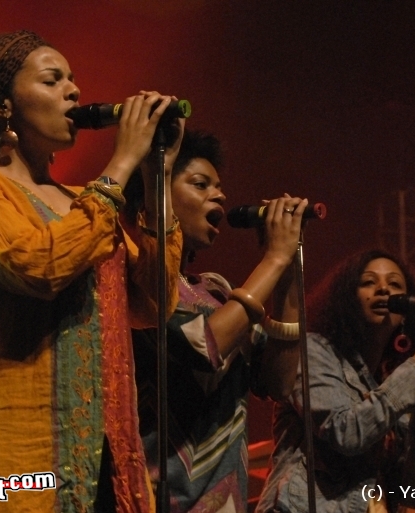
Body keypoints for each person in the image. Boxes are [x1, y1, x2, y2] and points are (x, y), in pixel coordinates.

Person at [0, 30, 183, 512]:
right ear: (2, 105)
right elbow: (41, 267)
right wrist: (123, 160)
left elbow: (153, 303)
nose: (73, 91)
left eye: (73, 79)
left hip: (107, 458)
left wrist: (158, 178)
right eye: (53, 80)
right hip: (18, 457)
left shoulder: (83, 199)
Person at [123, 130, 308, 512]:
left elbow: (278, 381)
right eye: (200, 184)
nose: (220, 196)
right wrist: (272, 260)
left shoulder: (218, 290)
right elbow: (202, 345)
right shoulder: (133, 278)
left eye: (219, 187)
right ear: (153, 195)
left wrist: (288, 266)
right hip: (156, 497)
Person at [256, 249, 415, 513]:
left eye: (395, 284)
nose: (383, 289)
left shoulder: (394, 380)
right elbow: (345, 432)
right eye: (369, 282)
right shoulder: (313, 351)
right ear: (347, 298)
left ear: (408, 307)